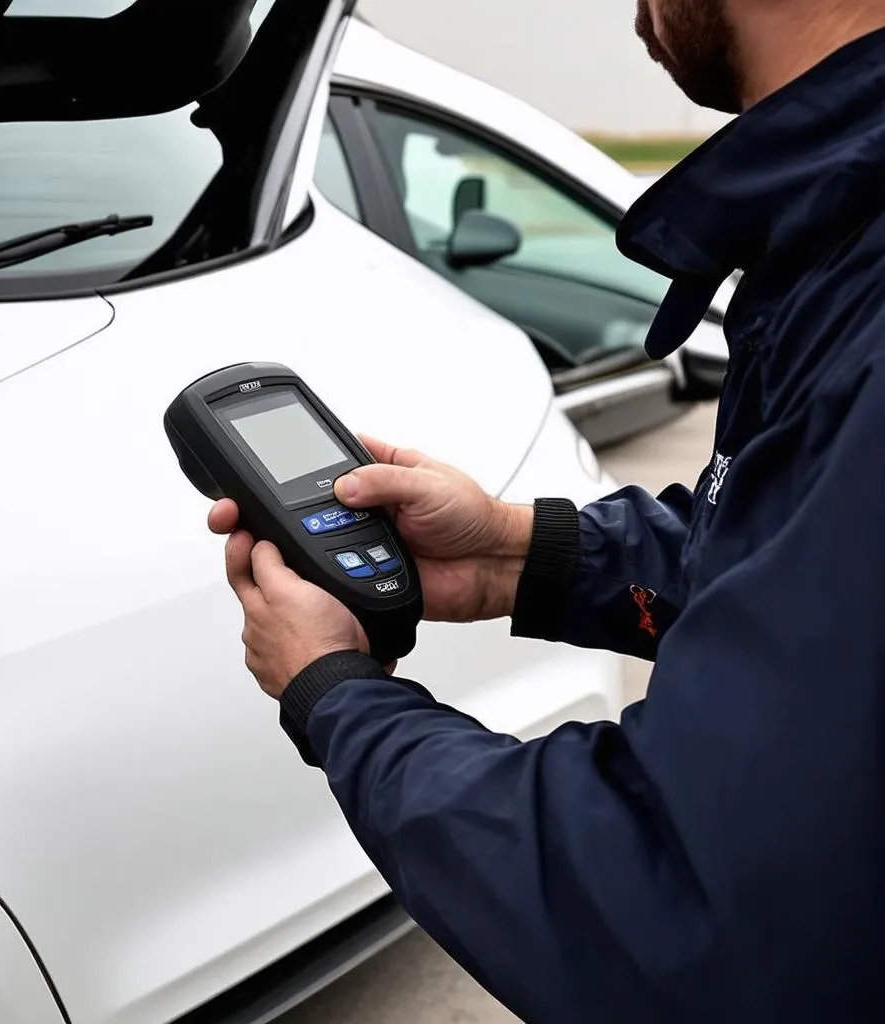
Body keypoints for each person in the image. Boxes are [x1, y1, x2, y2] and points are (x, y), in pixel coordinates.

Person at [208, 0, 885, 1019]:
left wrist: (337, 696)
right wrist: (522, 556)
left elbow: (682, 909)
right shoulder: (845, 243)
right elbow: (811, 568)